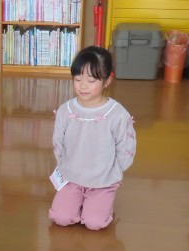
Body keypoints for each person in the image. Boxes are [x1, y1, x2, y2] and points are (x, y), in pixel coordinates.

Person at [49, 46, 136, 230]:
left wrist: (114, 172)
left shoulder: (117, 114)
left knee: (94, 223)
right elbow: (58, 143)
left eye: (91, 80)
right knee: (61, 218)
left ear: (107, 81)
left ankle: (98, 203)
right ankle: (78, 200)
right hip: (71, 178)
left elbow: (126, 148)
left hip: (103, 181)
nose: (83, 86)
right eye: (78, 79)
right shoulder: (66, 110)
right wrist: (65, 166)